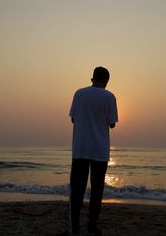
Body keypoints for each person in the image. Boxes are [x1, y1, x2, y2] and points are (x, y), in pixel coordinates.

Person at [59, 67, 118, 236]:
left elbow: (73, 118)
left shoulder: (79, 93)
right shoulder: (110, 96)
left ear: (92, 79)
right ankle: (92, 226)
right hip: (100, 150)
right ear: (107, 80)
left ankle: (74, 228)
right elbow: (112, 123)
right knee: (97, 189)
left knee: (77, 189)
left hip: (81, 148)